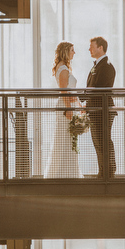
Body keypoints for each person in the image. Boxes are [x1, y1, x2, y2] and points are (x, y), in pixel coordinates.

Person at [44, 41, 83, 178]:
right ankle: (61, 174)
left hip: (69, 105)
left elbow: (70, 92)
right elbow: (63, 91)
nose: (74, 53)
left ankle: (68, 173)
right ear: (66, 51)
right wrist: (68, 109)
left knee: (70, 139)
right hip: (65, 107)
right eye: (72, 50)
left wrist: (79, 105)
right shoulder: (63, 69)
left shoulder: (64, 67)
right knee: (64, 139)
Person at [85, 36, 116, 178]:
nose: (89, 49)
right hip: (95, 109)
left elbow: (99, 88)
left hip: (102, 110)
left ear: (101, 48)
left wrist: (83, 98)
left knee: (103, 140)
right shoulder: (97, 65)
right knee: (98, 141)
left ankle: (108, 171)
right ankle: (103, 171)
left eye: (92, 46)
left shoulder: (107, 66)